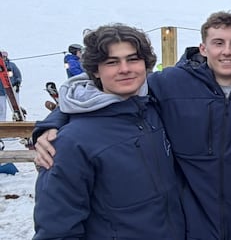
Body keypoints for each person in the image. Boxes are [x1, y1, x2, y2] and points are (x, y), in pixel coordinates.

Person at [35, 12, 231, 240]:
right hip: (196, 229)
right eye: (112, 62)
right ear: (203, 48)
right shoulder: (171, 85)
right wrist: (50, 124)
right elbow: (86, 100)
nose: (227, 51)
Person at [33, 24, 185, 239]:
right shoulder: (70, 142)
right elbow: (57, 230)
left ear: (145, 64)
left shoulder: (154, 110)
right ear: (95, 69)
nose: (125, 69)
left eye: (133, 59)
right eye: (112, 62)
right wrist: (50, 125)